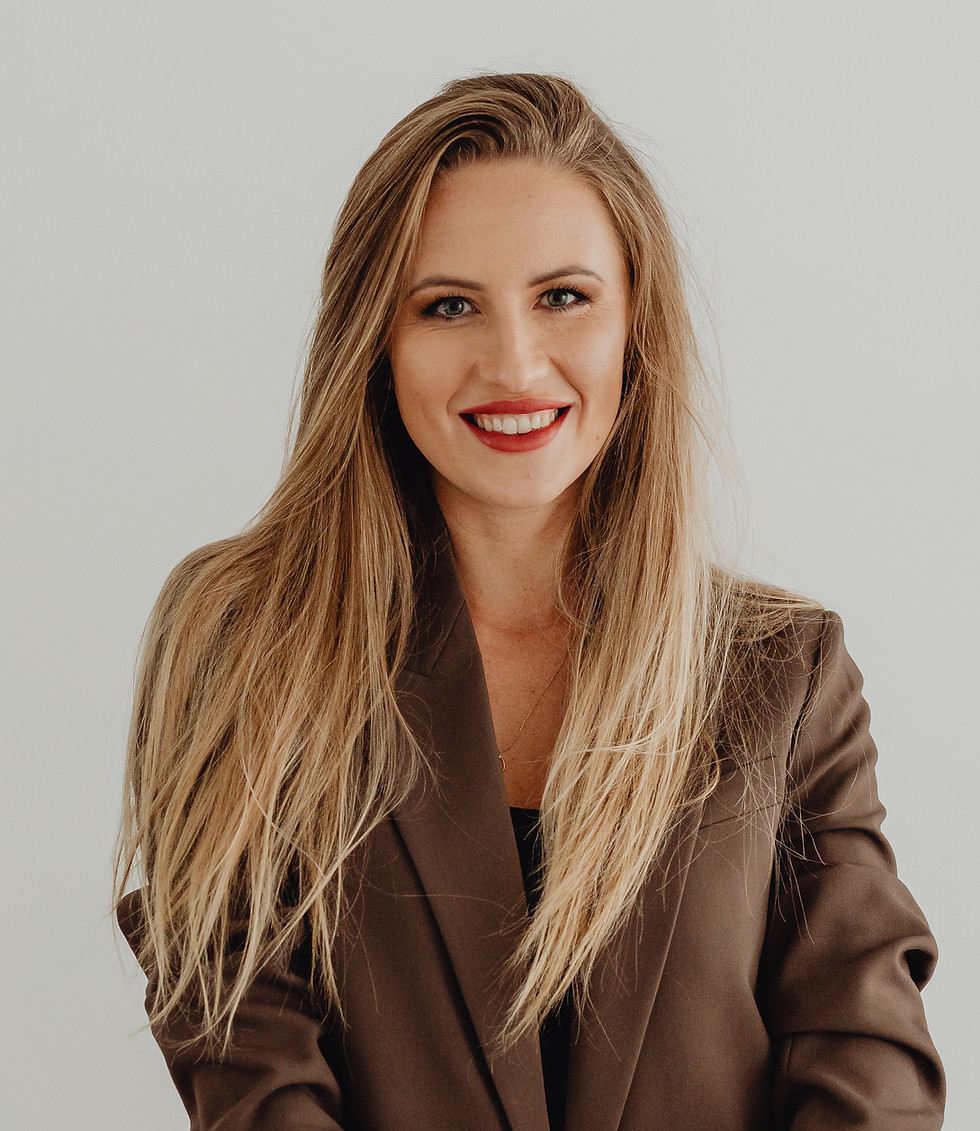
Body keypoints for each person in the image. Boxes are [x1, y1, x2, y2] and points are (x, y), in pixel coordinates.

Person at [115, 73, 944, 1130]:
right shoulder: (243, 645)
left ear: (633, 324)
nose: (512, 362)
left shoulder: (783, 673)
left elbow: (863, 1064)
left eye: (562, 297)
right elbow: (252, 1079)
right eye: (448, 305)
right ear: (376, 342)